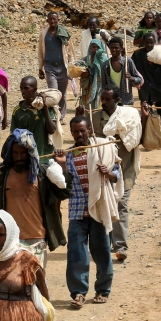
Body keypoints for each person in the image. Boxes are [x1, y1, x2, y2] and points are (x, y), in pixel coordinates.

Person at [0, 130, 70, 268]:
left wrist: (62, 165)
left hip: (36, 239)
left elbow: (64, 192)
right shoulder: (1, 173)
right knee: (13, 284)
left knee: (35, 283)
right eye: (15, 153)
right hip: (10, 240)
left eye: (23, 153)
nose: (19, 157)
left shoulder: (42, 174)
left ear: (30, 153)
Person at [52, 116, 121, 309]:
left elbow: (117, 175)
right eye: (76, 132)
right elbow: (64, 185)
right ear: (72, 133)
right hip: (77, 211)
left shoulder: (102, 149)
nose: (80, 134)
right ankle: (79, 293)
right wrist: (62, 164)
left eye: (83, 130)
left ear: (89, 130)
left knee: (102, 252)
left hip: (98, 209)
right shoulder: (70, 154)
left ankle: (102, 290)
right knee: (76, 254)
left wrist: (107, 173)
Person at [87, 87, 148, 262]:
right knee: (104, 203)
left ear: (117, 100)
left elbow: (139, 139)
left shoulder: (128, 117)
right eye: (102, 100)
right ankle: (106, 244)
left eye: (107, 100)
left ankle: (120, 246)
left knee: (121, 205)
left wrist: (144, 117)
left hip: (125, 169)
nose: (104, 103)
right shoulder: (95, 118)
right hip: (102, 171)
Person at [131, 34, 161, 131]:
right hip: (145, 89)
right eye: (147, 42)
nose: (149, 45)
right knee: (146, 115)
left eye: (151, 42)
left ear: (155, 42)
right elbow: (131, 67)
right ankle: (147, 139)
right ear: (143, 43)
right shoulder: (137, 54)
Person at [9, 75, 57, 159]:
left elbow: (52, 130)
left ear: (34, 89)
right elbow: (15, 136)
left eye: (26, 88)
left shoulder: (45, 108)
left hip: (45, 156)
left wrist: (45, 108)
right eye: (21, 88)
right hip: (27, 158)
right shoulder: (18, 111)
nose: (23, 91)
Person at [37, 12, 73, 122]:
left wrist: (71, 66)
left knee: (62, 94)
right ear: (47, 20)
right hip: (49, 67)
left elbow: (70, 50)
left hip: (63, 66)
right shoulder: (44, 34)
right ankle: (54, 116)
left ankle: (61, 117)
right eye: (50, 19)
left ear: (58, 20)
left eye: (55, 19)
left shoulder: (64, 32)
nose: (53, 21)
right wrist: (40, 68)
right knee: (53, 93)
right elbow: (40, 51)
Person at [100, 36, 143, 106]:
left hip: (126, 100)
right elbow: (103, 86)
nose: (114, 50)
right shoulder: (105, 65)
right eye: (112, 47)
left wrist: (132, 78)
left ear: (121, 49)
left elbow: (139, 80)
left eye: (116, 48)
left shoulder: (128, 62)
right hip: (112, 102)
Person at [76, 36, 107, 113]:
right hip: (88, 85)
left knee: (98, 103)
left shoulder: (103, 58)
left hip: (99, 85)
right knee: (88, 104)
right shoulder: (86, 59)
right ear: (90, 47)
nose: (95, 49)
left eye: (97, 47)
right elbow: (78, 68)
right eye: (93, 46)